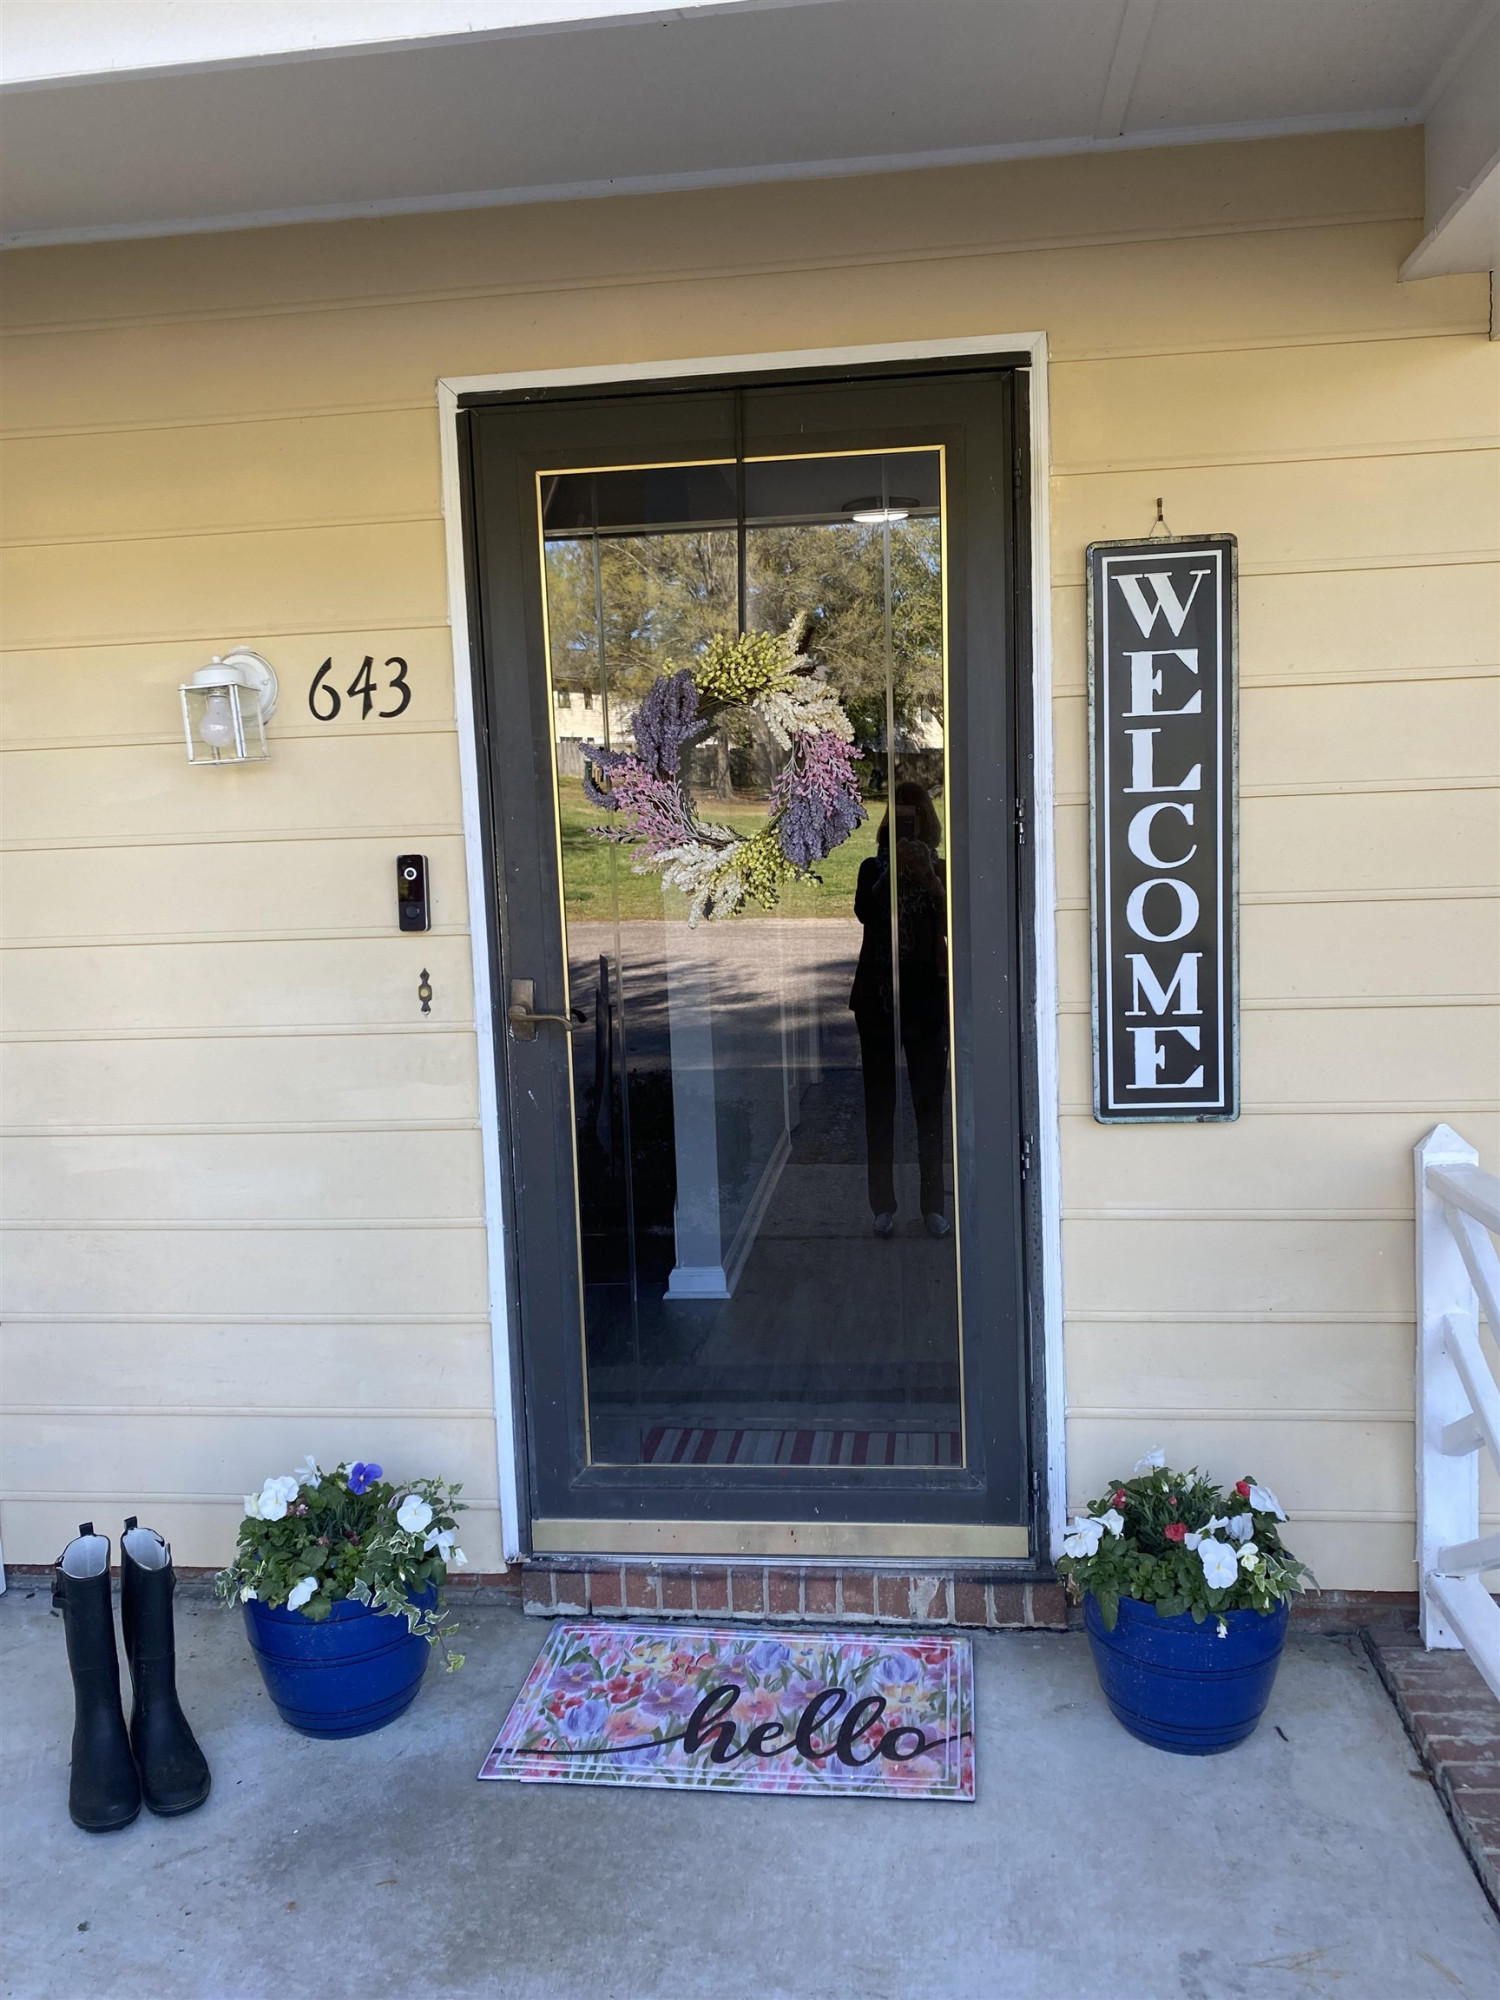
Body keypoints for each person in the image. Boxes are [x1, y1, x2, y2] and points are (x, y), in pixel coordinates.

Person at [848, 778, 951, 1239]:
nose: (906, 823)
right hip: (878, 1000)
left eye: (914, 815)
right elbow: (867, 915)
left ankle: (932, 1204)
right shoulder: (871, 867)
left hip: (926, 1000)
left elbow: (951, 922)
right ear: (890, 823)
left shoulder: (941, 869)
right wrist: (893, 873)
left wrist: (928, 876)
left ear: (926, 821)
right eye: (899, 816)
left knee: (929, 1106)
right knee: (880, 1104)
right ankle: (882, 1205)